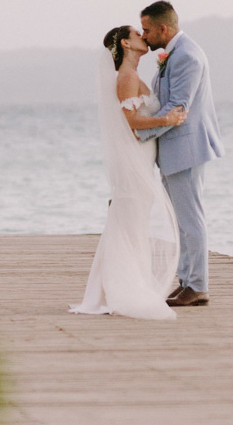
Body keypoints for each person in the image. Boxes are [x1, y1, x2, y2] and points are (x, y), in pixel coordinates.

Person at [70, 24, 187, 320]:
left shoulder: (132, 76)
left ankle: (115, 287)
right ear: (125, 43)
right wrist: (167, 119)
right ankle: (124, 287)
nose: (143, 37)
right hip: (133, 159)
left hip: (140, 158)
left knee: (130, 221)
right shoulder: (126, 77)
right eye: (138, 34)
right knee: (130, 221)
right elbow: (132, 123)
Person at [138, 0, 223, 307]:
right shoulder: (175, 53)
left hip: (186, 148)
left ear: (163, 28)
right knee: (180, 222)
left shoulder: (187, 56)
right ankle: (186, 281)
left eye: (147, 30)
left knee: (191, 220)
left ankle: (198, 285)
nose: (144, 36)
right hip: (175, 150)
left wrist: (141, 134)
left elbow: (178, 108)